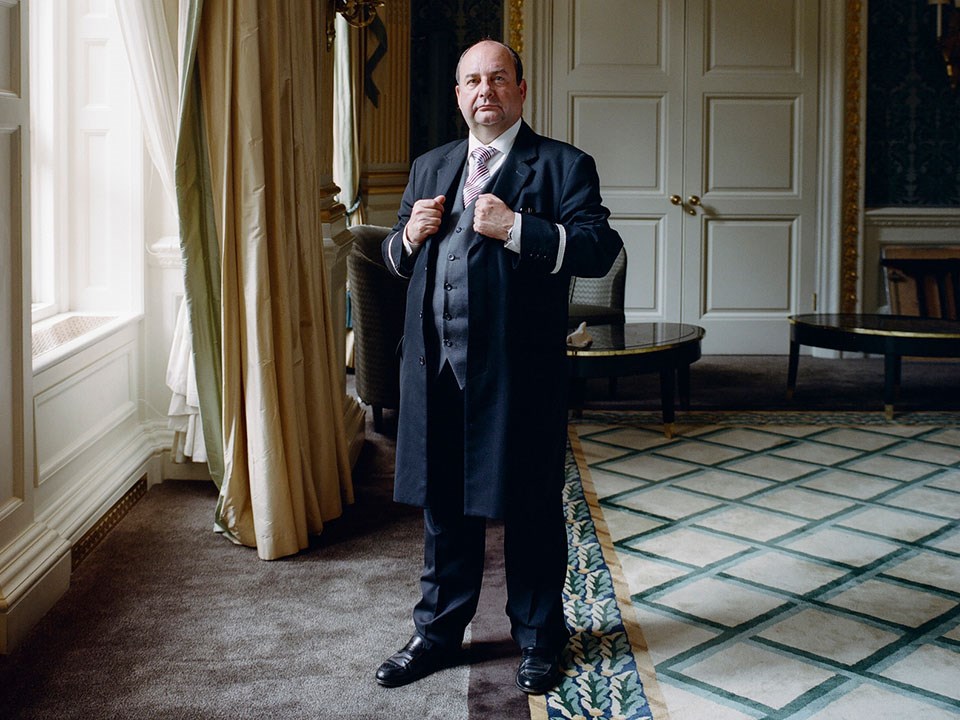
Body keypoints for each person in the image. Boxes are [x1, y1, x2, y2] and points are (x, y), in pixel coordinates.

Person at [376, 39, 623, 695]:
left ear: (520, 88)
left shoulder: (563, 165)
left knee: (531, 508)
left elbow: (600, 249)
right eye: (471, 81)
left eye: (497, 78)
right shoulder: (430, 166)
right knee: (443, 509)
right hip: (438, 373)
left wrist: (516, 227)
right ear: (458, 95)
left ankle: (540, 639)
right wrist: (408, 236)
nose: (484, 91)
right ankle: (435, 635)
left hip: (520, 379)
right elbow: (394, 260)